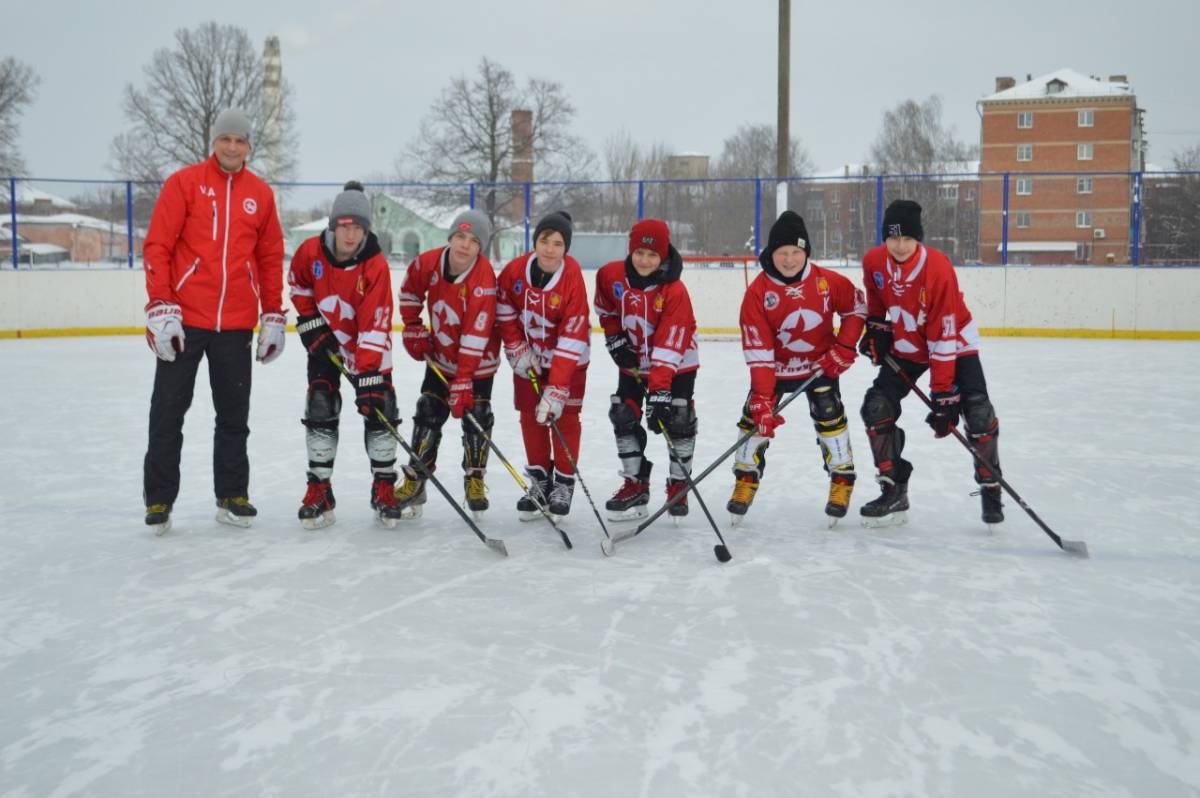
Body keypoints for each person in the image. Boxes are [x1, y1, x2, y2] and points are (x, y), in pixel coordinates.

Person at [141, 108, 285, 534]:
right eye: (226, 139)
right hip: (184, 321)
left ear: (249, 147)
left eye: (240, 141)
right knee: (168, 412)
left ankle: (232, 495)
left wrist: (272, 314)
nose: (233, 147)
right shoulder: (184, 184)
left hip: (236, 323)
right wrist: (161, 308)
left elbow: (270, 256)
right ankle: (160, 500)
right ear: (214, 141)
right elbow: (158, 247)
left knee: (234, 416)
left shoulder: (260, 194)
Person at [858, 199, 1003, 527]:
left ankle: (990, 486)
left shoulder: (937, 268)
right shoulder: (874, 261)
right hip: (908, 342)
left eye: (907, 239)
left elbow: (943, 335)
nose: (899, 246)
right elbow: (876, 297)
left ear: (918, 239)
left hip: (953, 342)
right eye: (893, 239)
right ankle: (894, 488)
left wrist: (944, 396)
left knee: (978, 413)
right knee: (876, 408)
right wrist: (878, 329)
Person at [727, 210, 866, 526]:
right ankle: (745, 478)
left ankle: (841, 480)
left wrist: (843, 348)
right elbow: (759, 352)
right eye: (782, 252)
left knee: (829, 412)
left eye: (796, 252)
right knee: (754, 417)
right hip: (774, 370)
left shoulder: (827, 282)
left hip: (819, 366)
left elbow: (856, 308)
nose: (789, 259)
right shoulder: (758, 294)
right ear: (771, 253)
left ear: (806, 253)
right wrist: (763, 398)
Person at [288, 181, 402, 528]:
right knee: (320, 405)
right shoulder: (310, 252)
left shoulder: (375, 266)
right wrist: (309, 322)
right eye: (345, 226)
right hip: (325, 342)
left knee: (381, 408)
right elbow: (298, 284)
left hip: (368, 345)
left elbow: (375, 323)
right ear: (333, 225)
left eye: (359, 227)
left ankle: (383, 487)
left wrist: (367, 376)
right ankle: (319, 488)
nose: (351, 235)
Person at [393, 209, 500, 520]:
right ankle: (415, 480)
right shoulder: (428, 262)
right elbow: (410, 291)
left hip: (478, 362)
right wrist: (413, 326)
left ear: (481, 247)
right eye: (459, 236)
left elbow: (475, 333)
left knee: (475, 416)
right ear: (451, 237)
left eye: (473, 240)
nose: (464, 245)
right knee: (429, 411)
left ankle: (475, 478)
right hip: (440, 357)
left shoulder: (483, 279)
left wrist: (464, 378)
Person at [594, 219, 699, 521]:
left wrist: (660, 392)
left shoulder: (674, 290)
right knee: (623, 414)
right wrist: (614, 337)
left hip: (677, 364)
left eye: (652, 255)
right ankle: (635, 483)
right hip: (633, 363)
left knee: (677, 418)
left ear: (663, 256)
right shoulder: (610, 275)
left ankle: (679, 485)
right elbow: (606, 307)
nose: (644, 260)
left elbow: (670, 343)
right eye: (639, 252)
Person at [495, 210, 591, 519]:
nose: (550, 249)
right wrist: (515, 346)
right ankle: (539, 482)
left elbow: (573, 334)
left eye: (558, 243)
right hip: (531, 360)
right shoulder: (514, 271)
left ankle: (563, 483)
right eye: (544, 240)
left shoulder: (572, 278)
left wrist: (559, 387)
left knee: (564, 418)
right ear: (535, 242)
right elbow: (504, 306)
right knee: (530, 416)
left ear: (567, 249)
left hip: (569, 360)